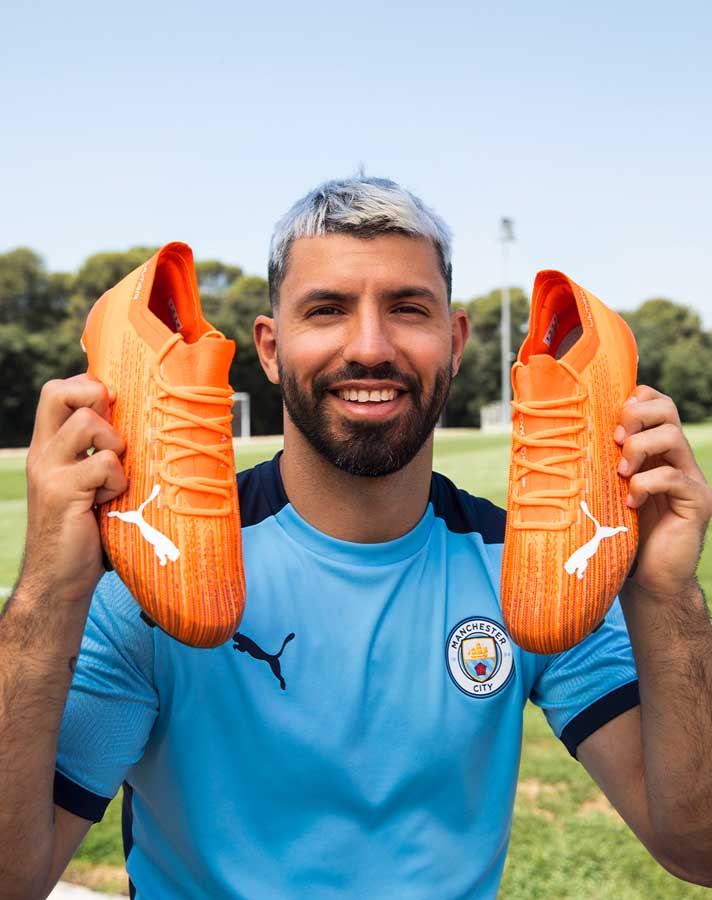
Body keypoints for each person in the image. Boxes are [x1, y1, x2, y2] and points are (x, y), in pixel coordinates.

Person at [2, 176, 712, 900]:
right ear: (270, 348)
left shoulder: (530, 571)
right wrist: (49, 592)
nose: (370, 347)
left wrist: (666, 595)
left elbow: (699, 847)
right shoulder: (151, 572)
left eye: (407, 309)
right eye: (327, 310)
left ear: (455, 343)